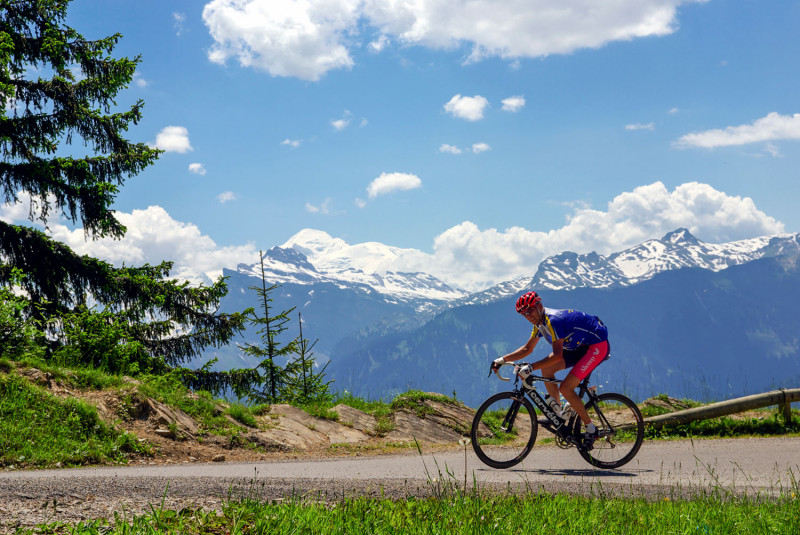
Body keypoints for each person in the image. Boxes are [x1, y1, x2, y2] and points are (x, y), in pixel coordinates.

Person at [491, 291, 609, 447]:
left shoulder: (553, 321)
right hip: (579, 346)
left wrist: (531, 367)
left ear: (539, 306)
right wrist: (502, 359)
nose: (528, 316)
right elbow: (527, 349)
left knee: (566, 388)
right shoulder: (539, 323)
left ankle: (591, 428)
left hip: (596, 346)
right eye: (523, 314)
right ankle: (558, 414)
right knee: (546, 370)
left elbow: (558, 356)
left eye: (530, 310)